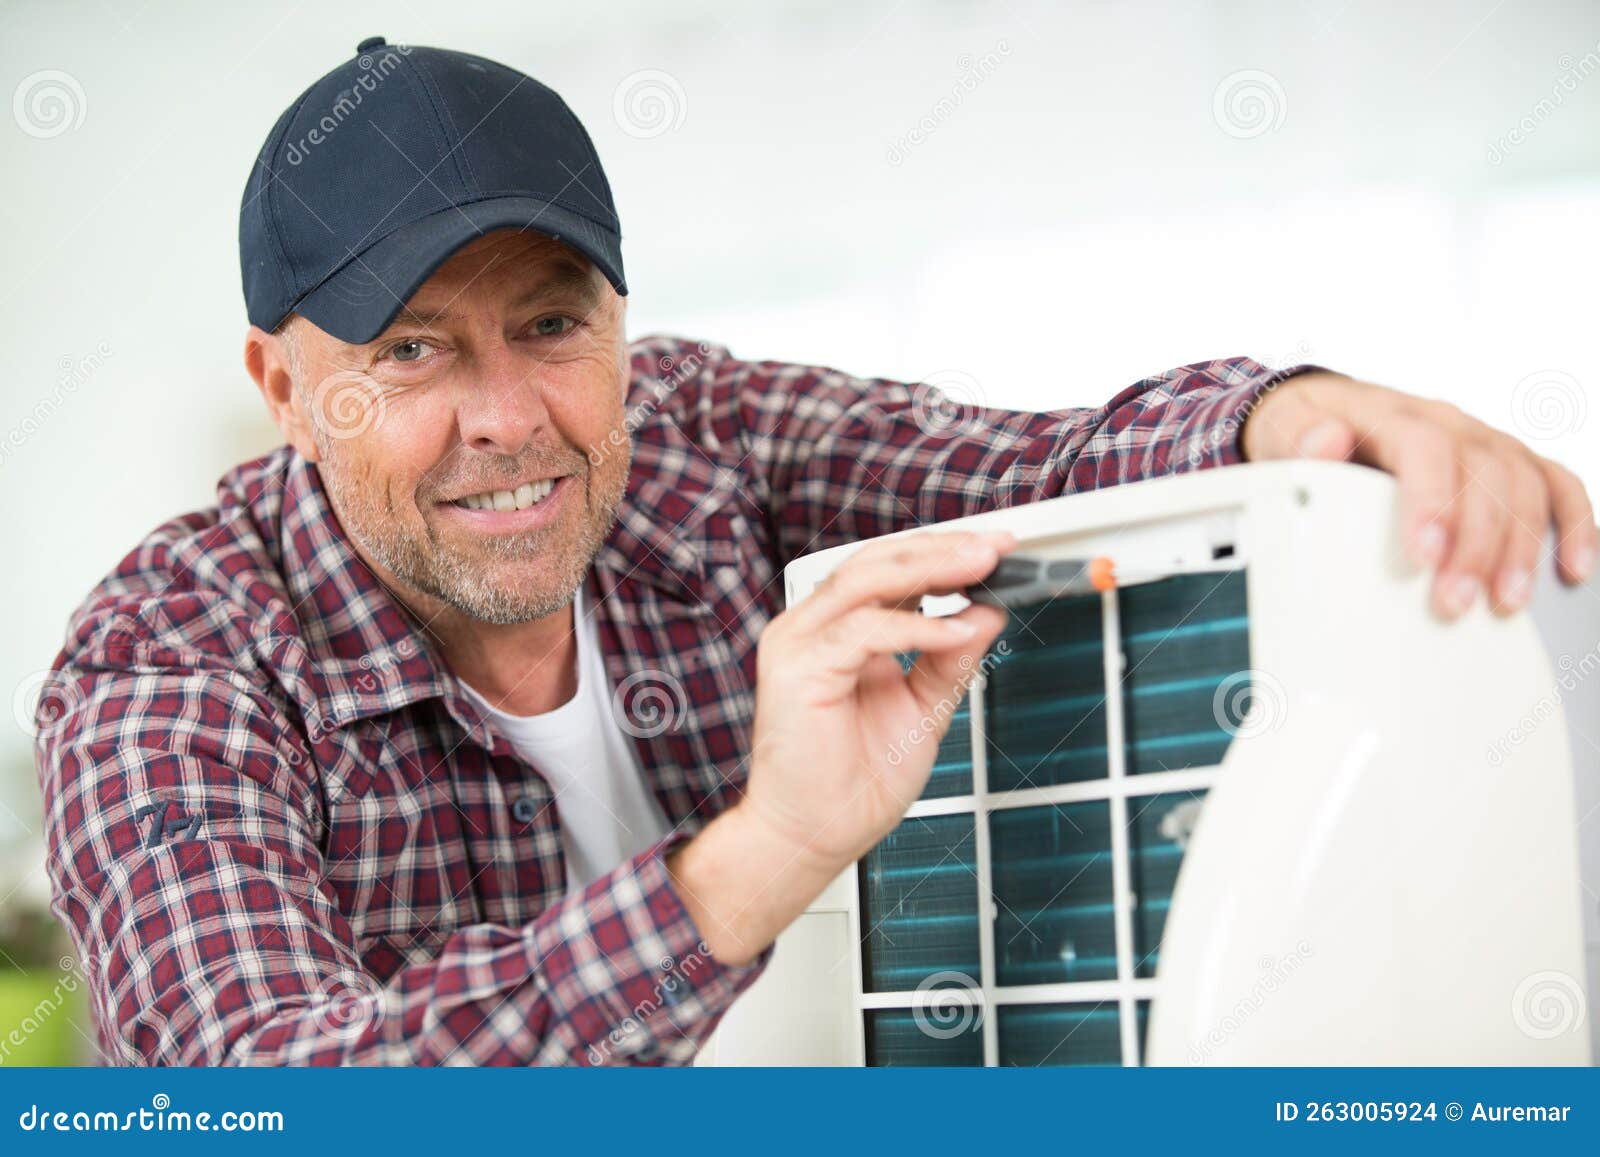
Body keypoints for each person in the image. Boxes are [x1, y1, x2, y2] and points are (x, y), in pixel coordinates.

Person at [33, 39, 1594, 1065]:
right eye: (416, 352)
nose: (507, 418)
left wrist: (1296, 413)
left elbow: (1027, 467)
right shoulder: (165, 655)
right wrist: (762, 853)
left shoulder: (702, 437)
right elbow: (272, 1091)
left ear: (622, 324)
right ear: (286, 388)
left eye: (553, 324)